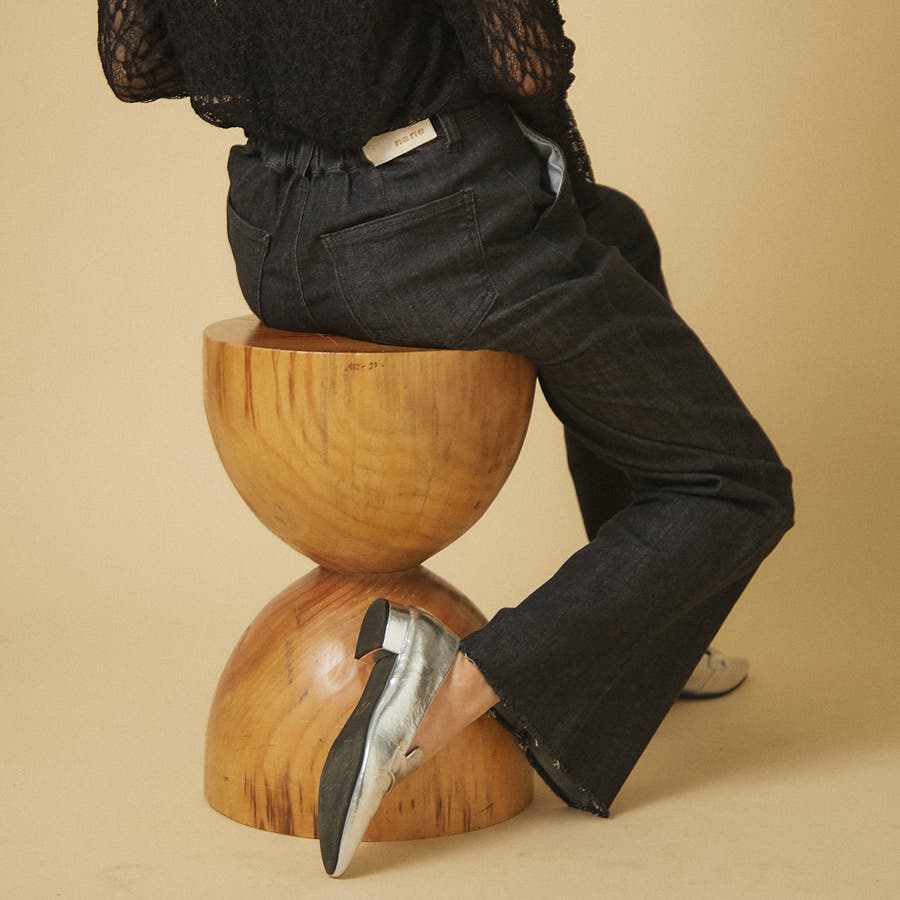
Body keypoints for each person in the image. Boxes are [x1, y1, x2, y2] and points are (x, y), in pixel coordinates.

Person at [98, 0, 794, 877]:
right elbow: (526, 65)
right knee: (733, 486)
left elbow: (136, 68)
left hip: (271, 231)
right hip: (422, 230)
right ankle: (450, 686)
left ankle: (650, 633)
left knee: (617, 229)